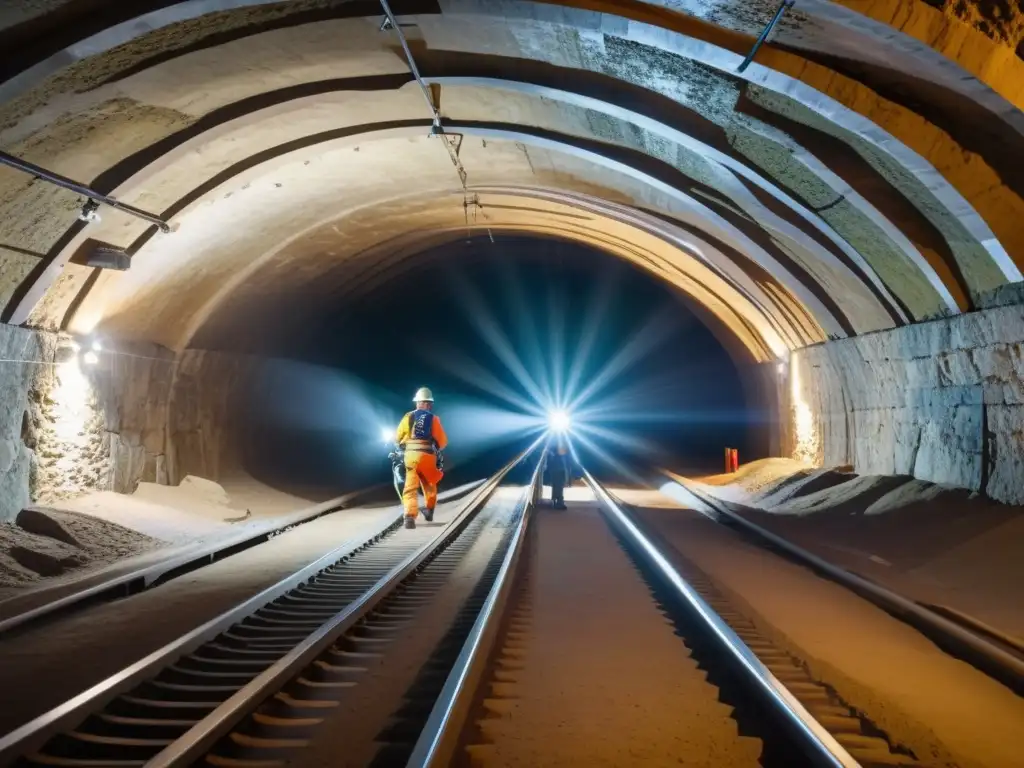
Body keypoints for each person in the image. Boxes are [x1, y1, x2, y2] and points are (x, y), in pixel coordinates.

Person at [395, 387, 448, 529]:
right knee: (430, 482)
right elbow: (442, 441)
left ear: (417, 403)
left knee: (410, 487)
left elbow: (398, 436)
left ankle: (409, 517)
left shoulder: (408, 416)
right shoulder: (433, 419)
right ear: (429, 404)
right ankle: (429, 510)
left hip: (411, 457)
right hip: (427, 457)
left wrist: (403, 443)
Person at [543, 439, 570, 510]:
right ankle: (559, 503)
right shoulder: (557, 440)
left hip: (556, 466)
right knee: (559, 485)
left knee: (556, 485)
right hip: (558, 466)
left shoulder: (552, 441)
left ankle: (555, 501)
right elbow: (561, 452)